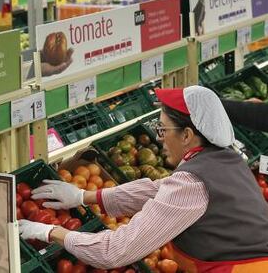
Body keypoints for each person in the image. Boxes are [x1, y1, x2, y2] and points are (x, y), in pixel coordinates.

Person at [19, 86, 268, 272]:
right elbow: (159, 190)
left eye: (162, 129)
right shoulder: (225, 158)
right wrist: (83, 196)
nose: (159, 138)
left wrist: (52, 232)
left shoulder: (194, 182)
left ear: (187, 135)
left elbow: (113, 251)